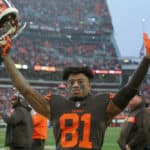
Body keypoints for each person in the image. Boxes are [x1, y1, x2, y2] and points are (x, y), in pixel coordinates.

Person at [0, 32, 150, 149]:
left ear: (90, 85)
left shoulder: (103, 103)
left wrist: (146, 60)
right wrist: (6, 57)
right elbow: (25, 90)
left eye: (80, 82)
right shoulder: (56, 104)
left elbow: (129, 90)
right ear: (66, 86)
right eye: (71, 82)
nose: (75, 85)